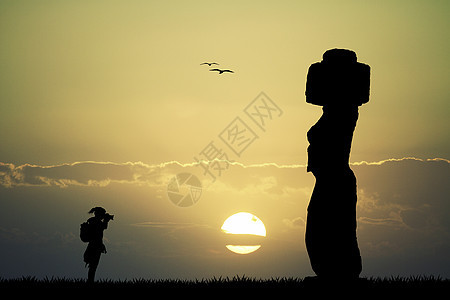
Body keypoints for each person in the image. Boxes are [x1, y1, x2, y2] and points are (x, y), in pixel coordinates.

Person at [83, 207, 114, 283]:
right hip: (95, 246)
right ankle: (90, 281)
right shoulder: (96, 222)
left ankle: (90, 281)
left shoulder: (92, 221)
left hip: (94, 246)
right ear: (99, 214)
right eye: (102, 214)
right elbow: (103, 227)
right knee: (93, 266)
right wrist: (106, 220)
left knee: (93, 266)